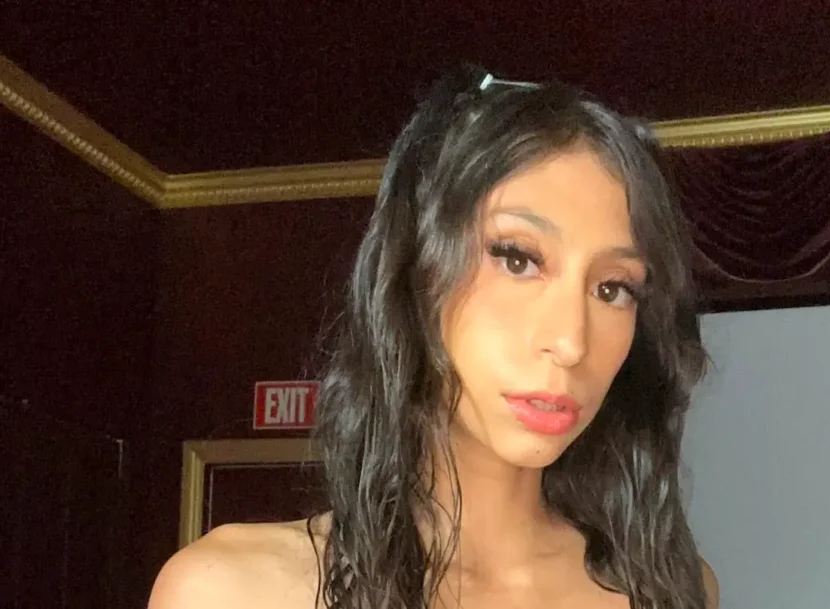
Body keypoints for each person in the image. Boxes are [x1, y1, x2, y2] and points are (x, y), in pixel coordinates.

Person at [149, 67, 719, 609]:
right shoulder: (229, 591)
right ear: (414, 274)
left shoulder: (667, 591)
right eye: (517, 259)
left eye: (614, 288)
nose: (571, 342)